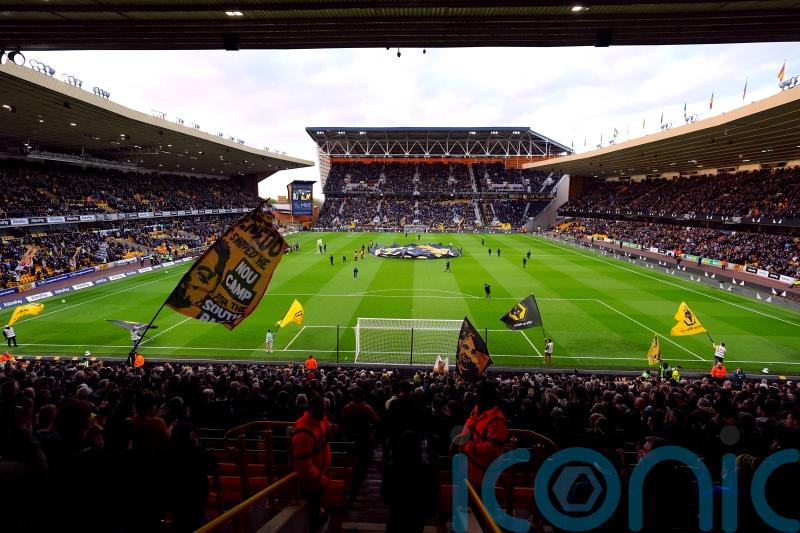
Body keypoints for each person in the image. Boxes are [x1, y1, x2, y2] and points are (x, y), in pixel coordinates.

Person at [381, 431, 437, 533]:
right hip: (417, 516)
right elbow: (432, 494)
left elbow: (384, 492)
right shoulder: (427, 469)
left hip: (396, 514)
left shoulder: (391, 468)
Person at [456, 381, 509, 487]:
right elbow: (469, 421)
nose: (476, 397)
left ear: (486, 396)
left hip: (485, 473)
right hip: (471, 467)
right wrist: (464, 436)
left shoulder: (496, 420)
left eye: (478, 394)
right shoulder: (478, 408)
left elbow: (492, 448)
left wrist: (468, 446)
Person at [291, 395, 331, 531]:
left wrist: (332, 429)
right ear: (313, 410)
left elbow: (324, 430)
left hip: (320, 474)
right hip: (312, 481)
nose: (324, 412)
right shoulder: (303, 432)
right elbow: (303, 465)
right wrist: (319, 478)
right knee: (311, 510)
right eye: (322, 409)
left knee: (316, 505)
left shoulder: (320, 420)